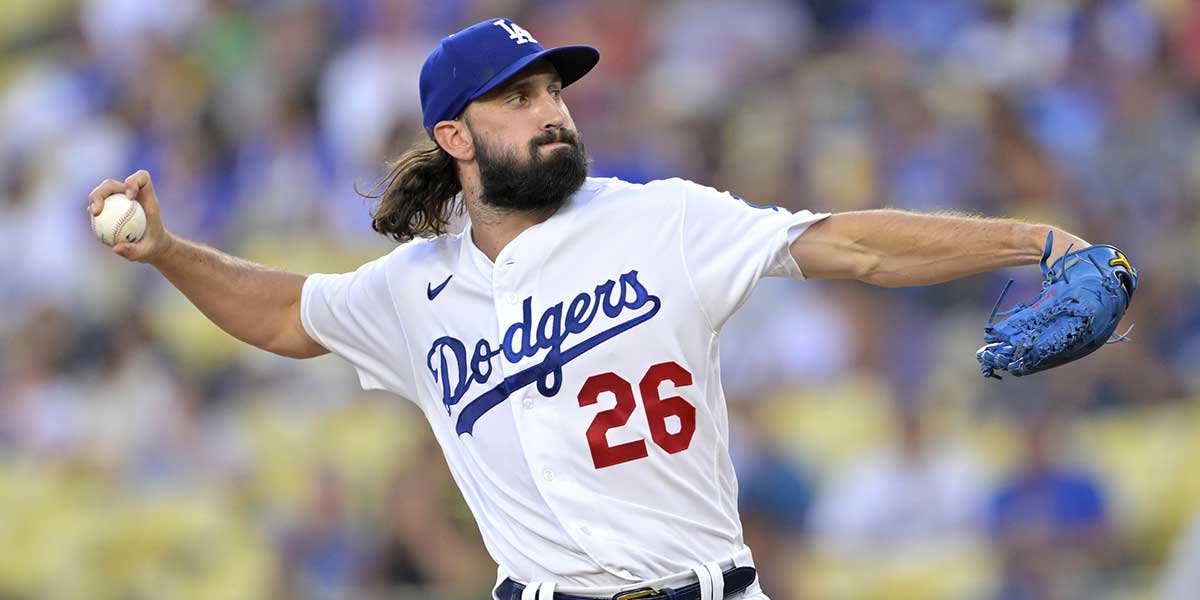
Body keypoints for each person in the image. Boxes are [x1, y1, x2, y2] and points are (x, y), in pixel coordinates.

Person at [87, 17, 1094, 600]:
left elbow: (853, 243)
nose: (552, 109)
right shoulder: (413, 292)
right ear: (456, 135)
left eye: (553, 91)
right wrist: (170, 254)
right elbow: (283, 315)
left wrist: (1034, 241)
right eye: (518, 98)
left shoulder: (663, 222)